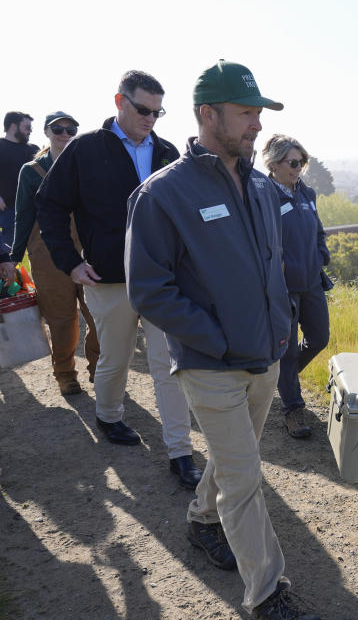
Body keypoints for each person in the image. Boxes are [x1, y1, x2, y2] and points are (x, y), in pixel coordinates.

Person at [125, 60, 320, 620]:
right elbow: (149, 290)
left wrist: (280, 326)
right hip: (209, 363)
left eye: (259, 113)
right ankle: (267, 593)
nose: (256, 125)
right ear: (208, 115)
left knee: (239, 458)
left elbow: (271, 265)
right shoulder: (163, 195)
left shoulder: (261, 188)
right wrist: (213, 337)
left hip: (263, 356)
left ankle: (201, 521)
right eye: (246, 113)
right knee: (245, 476)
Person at [34, 71, 201, 489]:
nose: (151, 119)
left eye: (158, 112)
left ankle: (180, 452)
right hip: (107, 278)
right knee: (115, 358)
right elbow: (50, 206)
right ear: (119, 101)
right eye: (143, 109)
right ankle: (109, 417)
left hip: (164, 280)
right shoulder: (85, 149)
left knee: (169, 366)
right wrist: (70, 263)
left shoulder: (166, 151)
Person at [0, 112, 100, 395]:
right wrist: (13, 256)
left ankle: (98, 369)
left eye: (71, 129)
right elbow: (23, 215)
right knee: (61, 319)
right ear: (47, 132)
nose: (65, 134)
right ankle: (65, 374)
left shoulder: (86, 165)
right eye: (58, 129)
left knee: (97, 314)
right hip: (47, 253)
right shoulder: (31, 171)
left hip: (88, 250)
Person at [262, 134, 334, 439]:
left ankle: (281, 380)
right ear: (274, 163)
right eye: (293, 162)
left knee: (319, 338)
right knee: (288, 351)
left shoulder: (307, 194)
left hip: (311, 282)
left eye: (301, 162)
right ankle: (293, 409)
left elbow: (318, 232)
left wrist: (321, 255)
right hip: (284, 289)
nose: (299, 167)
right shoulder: (264, 196)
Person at [0, 112, 38, 250]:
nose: (30, 131)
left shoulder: (34, 149)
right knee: (8, 254)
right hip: (9, 210)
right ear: (13, 126)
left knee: (40, 251)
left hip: (36, 210)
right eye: (27, 127)